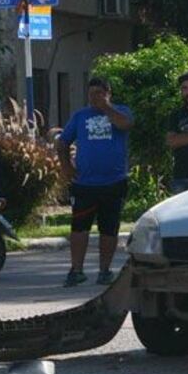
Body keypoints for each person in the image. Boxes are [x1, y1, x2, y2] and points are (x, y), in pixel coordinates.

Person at [56, 77, 133, 287]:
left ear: (108, 93)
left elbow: (125, 124)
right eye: (91, 94)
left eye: (99, 93)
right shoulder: (80, 116)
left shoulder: (121, 111)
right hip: (85, 184)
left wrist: (106, 107)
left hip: (114, 182)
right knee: (79, 228)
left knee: (109, 229)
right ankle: (76, 271)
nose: (94, 98)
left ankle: (104, 271)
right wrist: (66, 166)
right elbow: (63, 143)